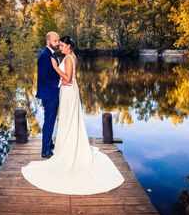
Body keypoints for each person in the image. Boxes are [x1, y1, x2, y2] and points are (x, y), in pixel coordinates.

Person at [22, 35, 125, 195]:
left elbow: (68, 77)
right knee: (67, 120)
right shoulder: (70, 57)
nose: (60, 47)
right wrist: (60, 79)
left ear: (69, 46)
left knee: (68, 119)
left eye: (62, 45)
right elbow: (67, 78)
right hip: (67, 90)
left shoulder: (69, 59)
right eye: (59, 44)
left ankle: (66, 149)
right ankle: (64, 145)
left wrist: (56, 68)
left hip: (69, 93)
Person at [35, 31, 62, 158]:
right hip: (49, 94)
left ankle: (49, 144)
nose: (57, 43)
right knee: (49, 122)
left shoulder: (49, 54)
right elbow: (43, 77)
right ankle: (45, 151)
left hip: (51, 93)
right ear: (48, 41)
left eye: (58, 41)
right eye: (55, 41)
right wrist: (59, 83)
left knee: (49, 120)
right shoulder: (45, 55)